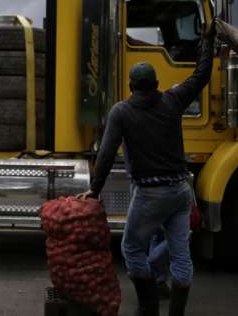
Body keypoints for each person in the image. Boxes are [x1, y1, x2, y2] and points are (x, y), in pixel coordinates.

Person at [78, 22, 215, 316]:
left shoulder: (122, 111)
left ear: (131, 86)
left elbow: (105, 153)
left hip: (150, 193)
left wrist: (94, 189)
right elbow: (201, 75)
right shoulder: (173, 100)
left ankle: (147, 307)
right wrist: (207, 43)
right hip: (181, 191)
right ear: (155, 84)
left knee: (131, 249)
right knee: (181, 255)